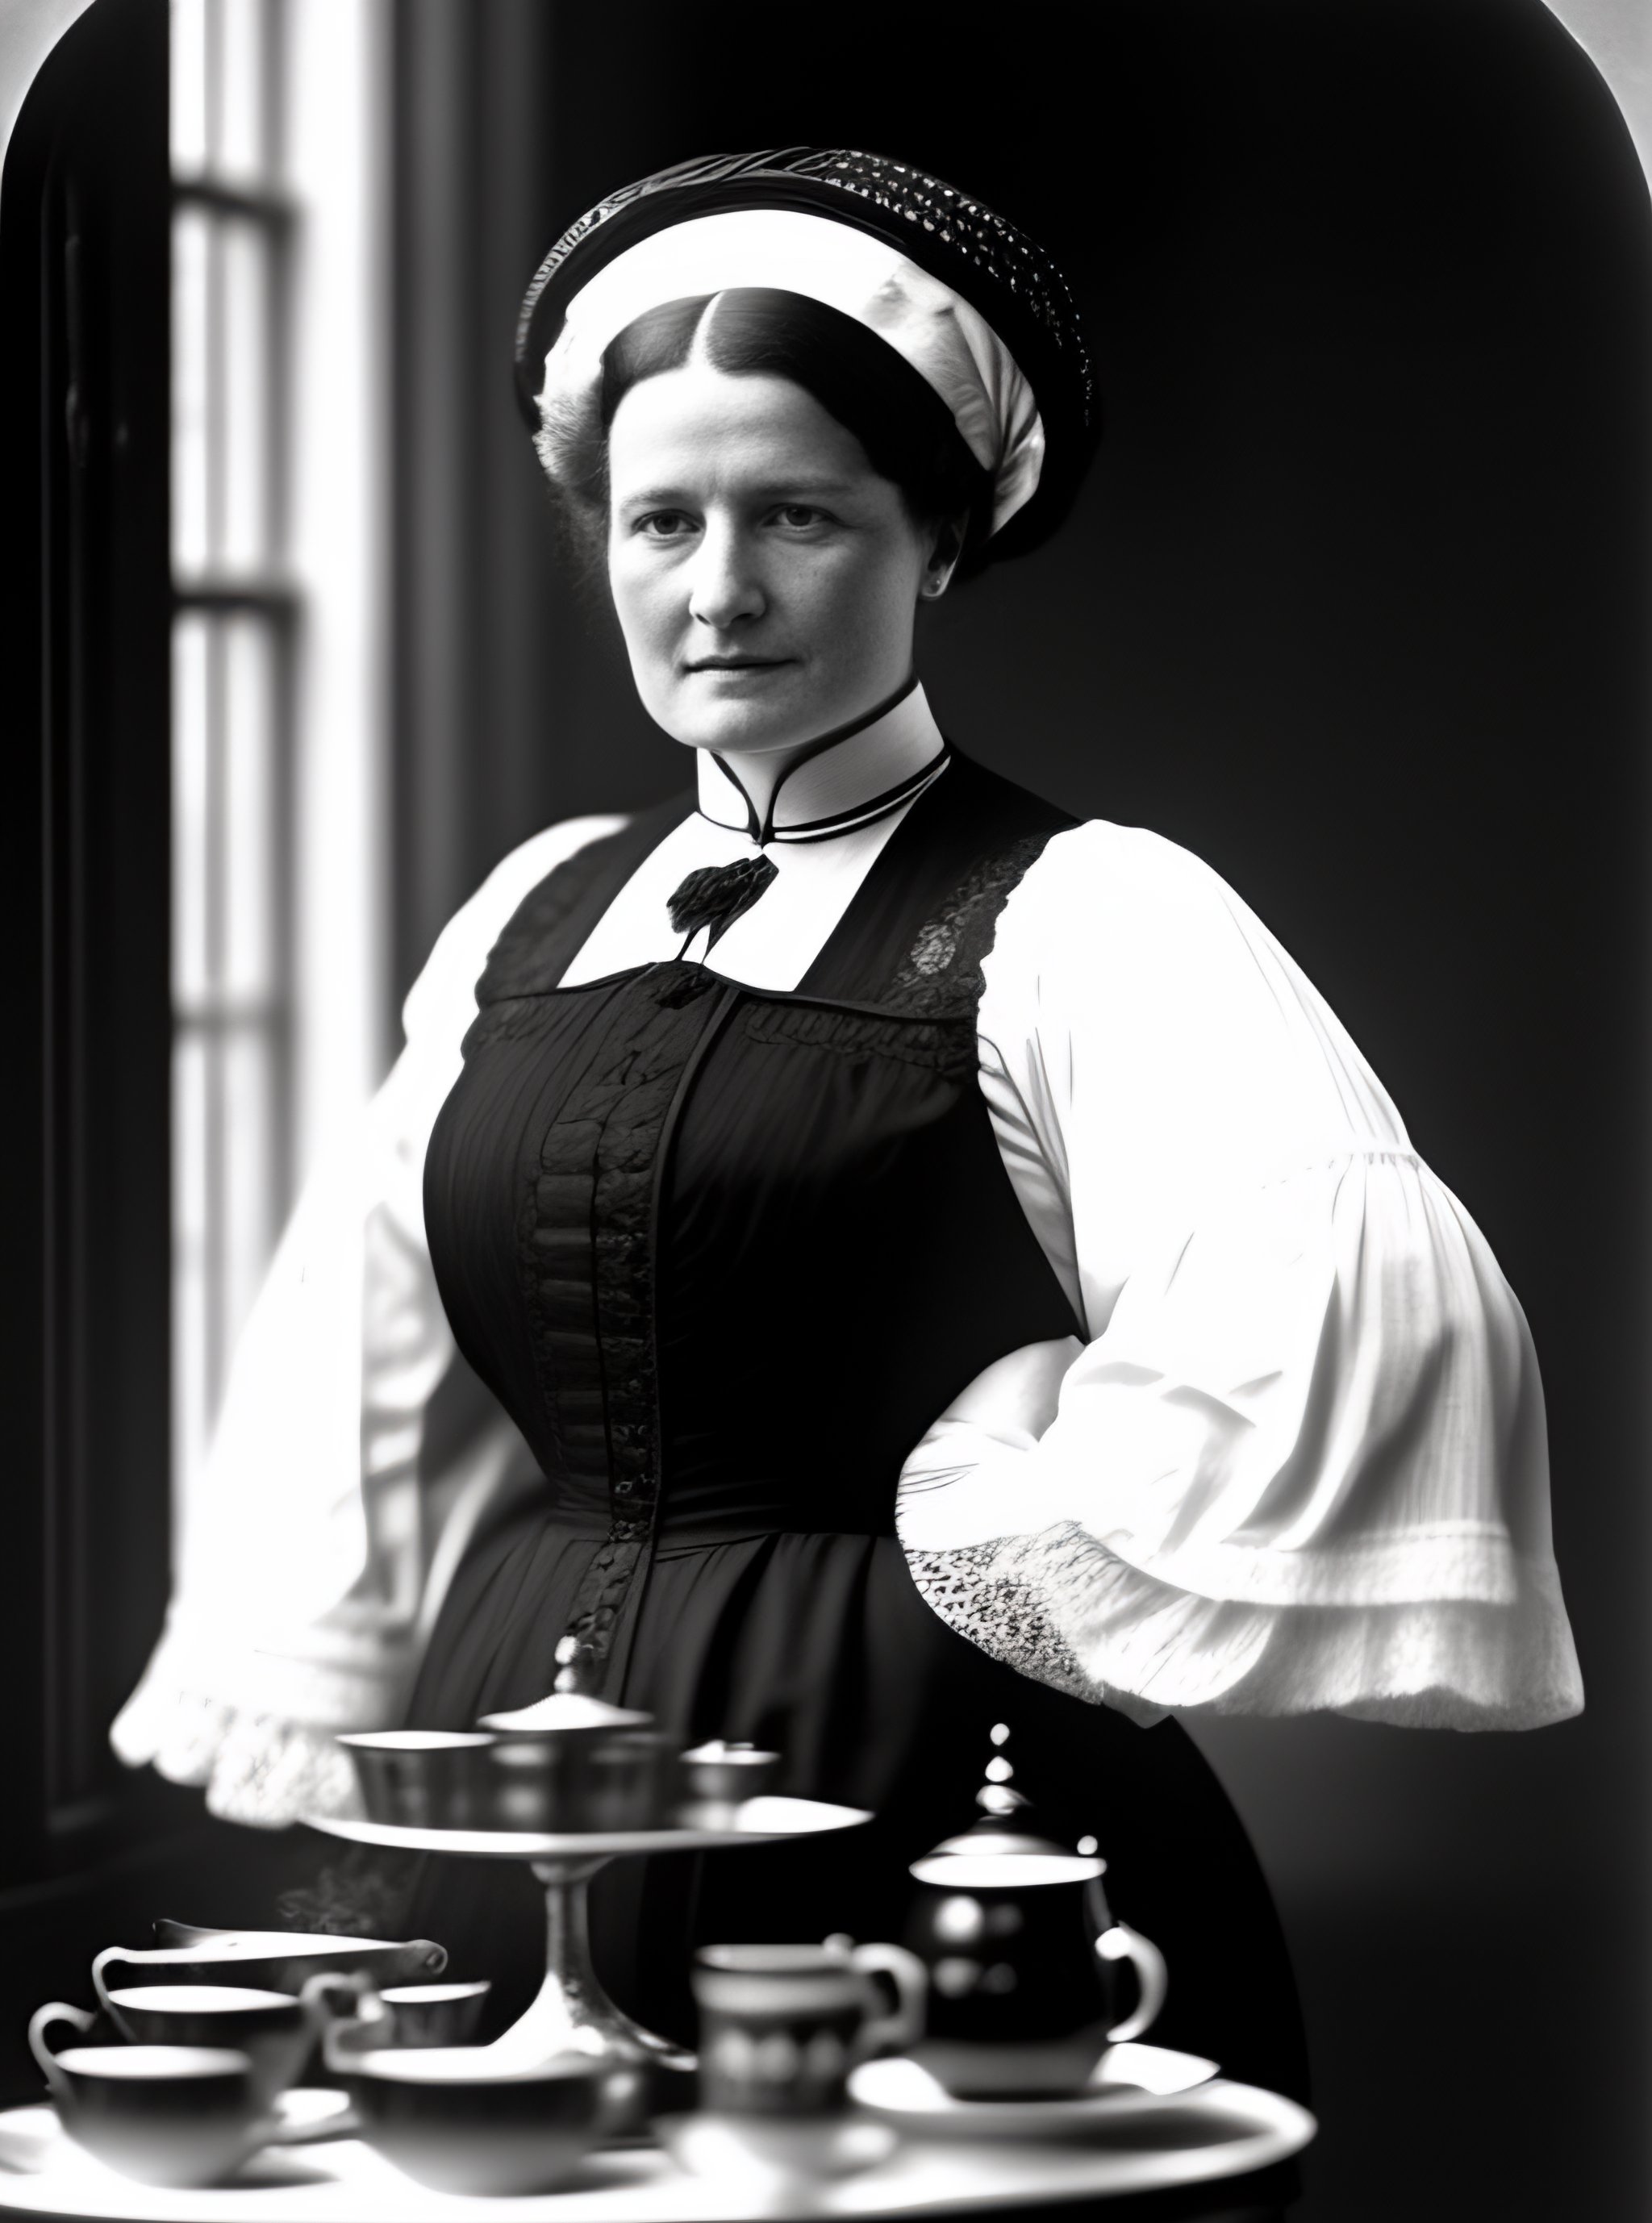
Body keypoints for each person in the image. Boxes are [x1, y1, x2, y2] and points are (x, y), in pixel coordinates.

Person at [110, 147, 1582, 2096]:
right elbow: (365, 1388)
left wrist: (988, 1501)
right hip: (519, 1775)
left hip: (914, 1785)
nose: (717, 589)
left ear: (936, 543)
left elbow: (1358, 1331)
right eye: (661, 521)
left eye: (796, 515)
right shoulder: (527, 917)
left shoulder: (1086, 913)